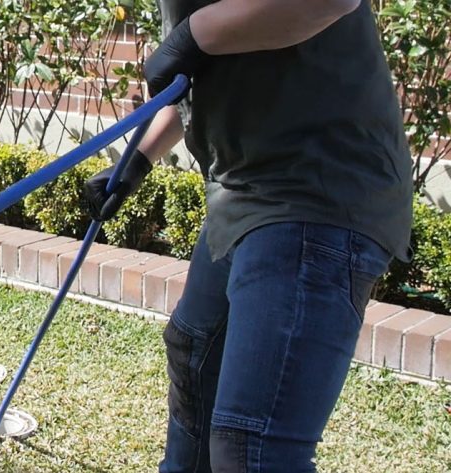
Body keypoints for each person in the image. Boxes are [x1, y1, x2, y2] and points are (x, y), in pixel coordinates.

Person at [83, 0, 413, 471]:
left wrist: (192, 34)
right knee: (196, 359)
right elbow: (209, 67)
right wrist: (136, 162)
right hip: (242, 193)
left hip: (317, 192)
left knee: (253, 449)